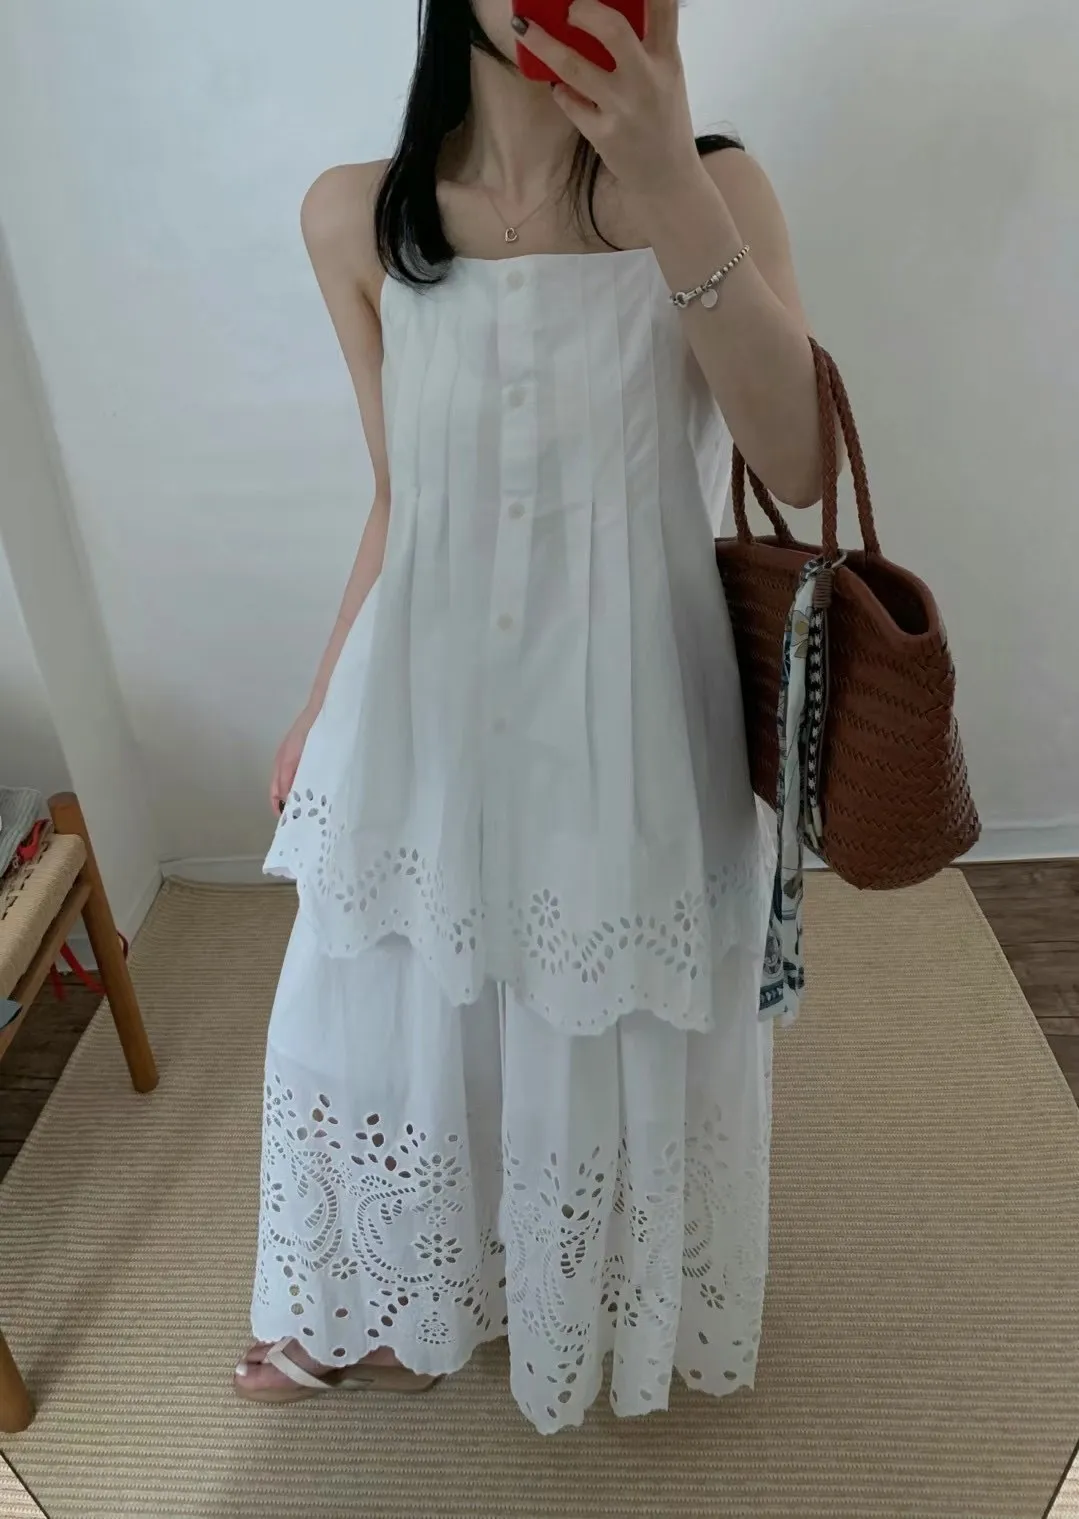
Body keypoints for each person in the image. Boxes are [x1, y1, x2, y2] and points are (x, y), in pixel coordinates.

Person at [234, 0, 823, 1433]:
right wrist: (319, 701)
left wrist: (669, 183)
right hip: (421, 692)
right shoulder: (355, 218)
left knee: (591, 1019)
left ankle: (579, 1290)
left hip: (631, 699)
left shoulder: (716, 186)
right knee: (380, 1004)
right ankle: (399, 1290)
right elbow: (401, 495)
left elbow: (799, 460)